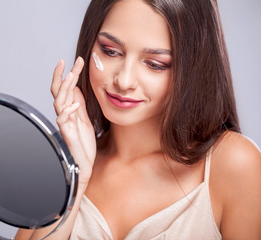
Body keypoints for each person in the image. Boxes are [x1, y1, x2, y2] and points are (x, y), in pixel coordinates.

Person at [15, 0, 261, 239]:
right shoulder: (62, 159)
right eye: (110, 51)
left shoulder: (234, 164)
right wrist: (76, 173)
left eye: (155, 64)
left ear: (193, 67)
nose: (124, 81)